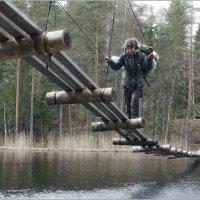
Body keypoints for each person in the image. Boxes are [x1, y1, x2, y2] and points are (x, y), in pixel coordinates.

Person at [105, 38, 158, 119]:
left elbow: (146, 67)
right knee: (128, 103)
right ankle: (129, 120)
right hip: (127, 84)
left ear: (135, 48)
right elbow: (117, 66)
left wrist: (149, 59)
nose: (129, 50)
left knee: (134, 101)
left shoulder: (141, 55)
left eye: (131, 49)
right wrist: (110, 62)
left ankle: (134, 120)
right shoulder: (124, 56)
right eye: (128, 49)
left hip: (138, 84)